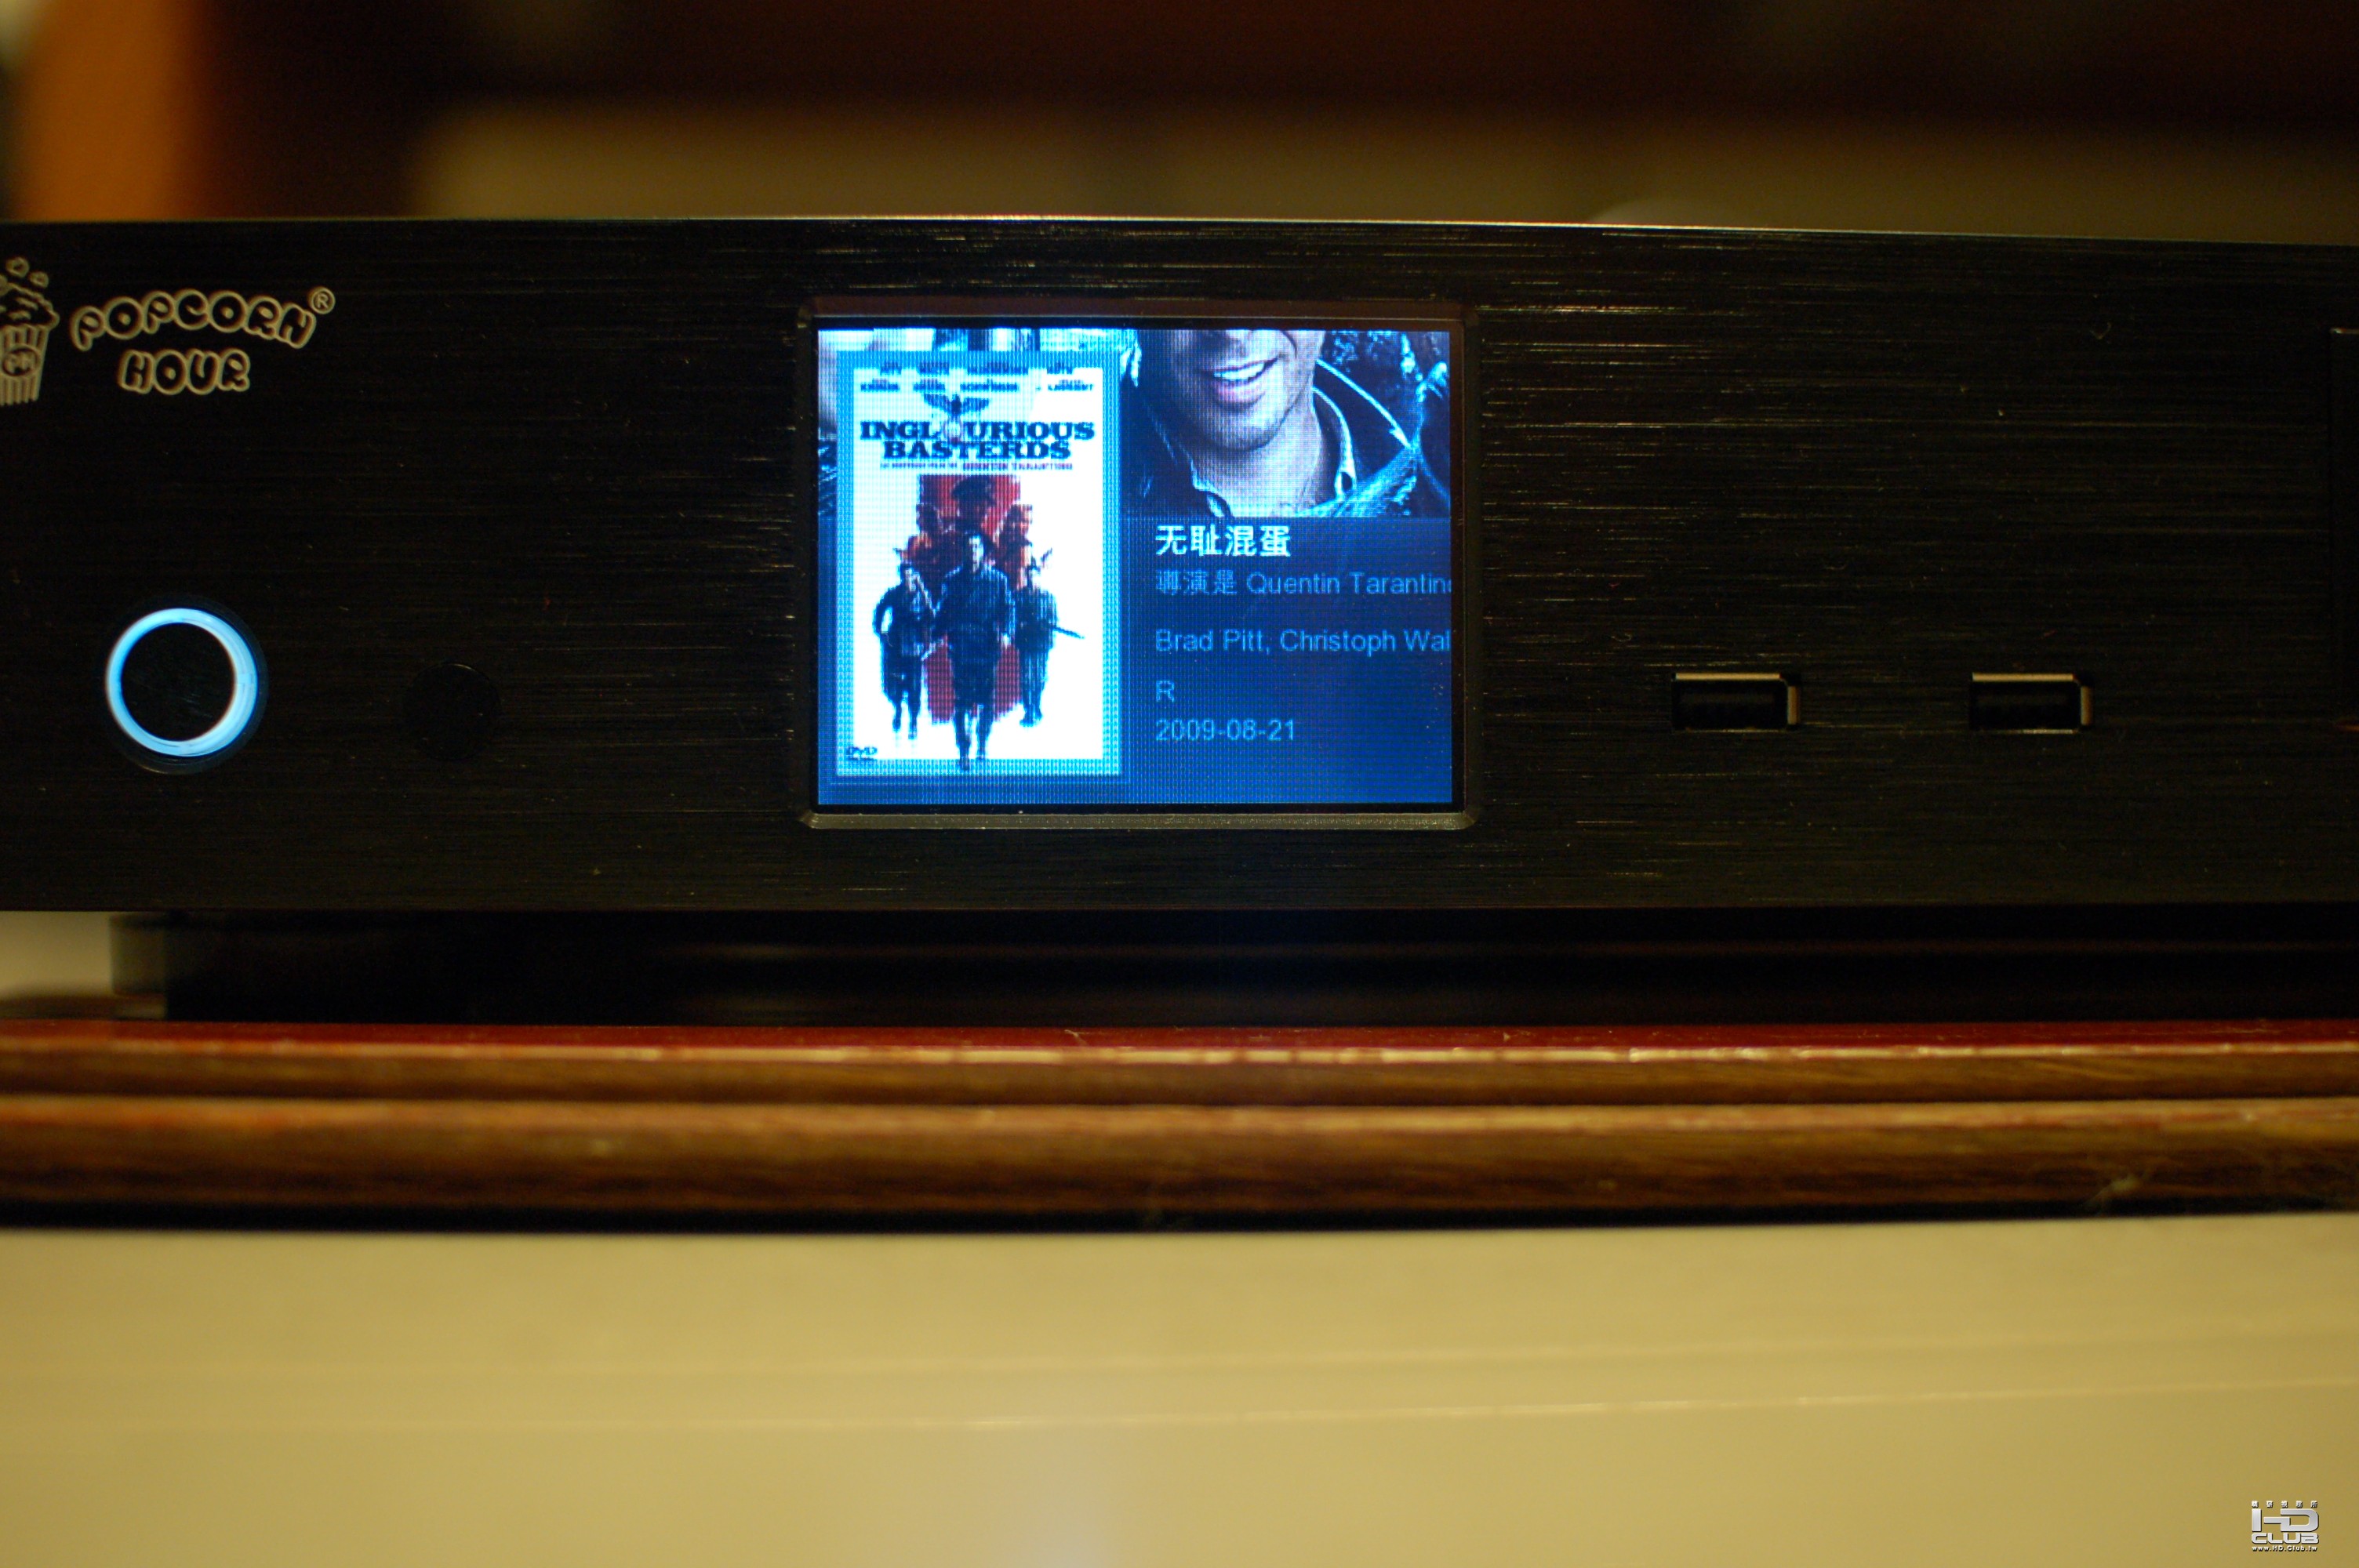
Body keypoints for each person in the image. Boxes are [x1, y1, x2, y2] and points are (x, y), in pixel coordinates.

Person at [1123, 327, 1448, 519]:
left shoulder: (1438, 478)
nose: (1233, 333)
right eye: (1190, 290)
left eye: (1270, 284)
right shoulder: (1095, 508)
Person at [933, 531, 1015, 768]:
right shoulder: (952, 581)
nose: (973, 552)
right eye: (969, 547)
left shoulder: (997, 580)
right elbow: (943, 613)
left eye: (977, 547)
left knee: (987, 701)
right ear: (964, 551)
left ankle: (982, 745)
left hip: (987, 649)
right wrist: (936, 635)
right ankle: (963, 749)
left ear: (983, 551)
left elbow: (1009, 608)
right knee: (962, 701)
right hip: (961, 649)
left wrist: (1007, 633)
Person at [871, 560, 935, 739]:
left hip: (914, 646)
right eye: (904, 576)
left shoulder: (922, 596)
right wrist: (880, 631)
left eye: (910, 575)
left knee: (915, 686)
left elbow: (932, 617)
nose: (907, 579)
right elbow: (880, 609)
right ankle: (898, 709)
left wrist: (923, 592)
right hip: (896, 644)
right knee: (894, 683)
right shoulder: (894, 594)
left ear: (915, 576)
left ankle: (913, 721)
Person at [1012, 561, 1059, 727]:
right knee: (1026, 678)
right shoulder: (1019, 597)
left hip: (1041, 643)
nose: (1032, 579)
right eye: (1029, 576)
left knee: (1040, 677)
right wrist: (1021, 627)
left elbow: (1053, 619)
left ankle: (1037, 705)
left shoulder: (1048, 597)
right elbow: (1013, 619)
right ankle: (1028, 709)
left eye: (1035, 576)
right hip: (1026, 642)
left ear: (1039, 577)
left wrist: (1046, 627)